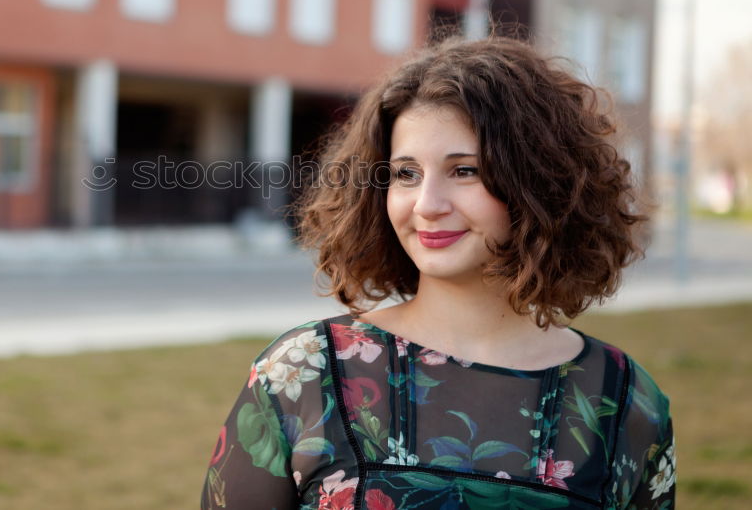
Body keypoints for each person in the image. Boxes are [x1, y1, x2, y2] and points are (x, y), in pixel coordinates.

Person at [200, 37, 674, 510]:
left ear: (540, 182)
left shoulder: (625, 402)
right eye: (406, 174)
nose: (427, 205)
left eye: (465, 171)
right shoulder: (301, 373)